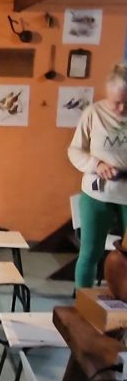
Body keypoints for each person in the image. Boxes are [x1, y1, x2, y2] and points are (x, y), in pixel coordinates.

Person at [68, 62, 127, 289]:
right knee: (90, 252)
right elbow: (75, 151)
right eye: (116, 102)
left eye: (126, 102)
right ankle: (82, 301)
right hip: (97, 194)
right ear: (108, 94)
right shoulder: (93, 113)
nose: (121, 109)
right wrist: (97, 164)